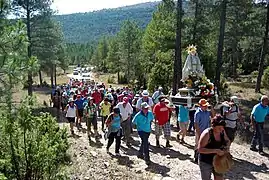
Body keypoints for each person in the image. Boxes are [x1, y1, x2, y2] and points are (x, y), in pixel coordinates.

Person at [198, 115, 231, 180]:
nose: (221, 129)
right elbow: (200, 149)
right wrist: (216, 151)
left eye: (222, 128)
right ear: (213, 126)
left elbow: (227, 140)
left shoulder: (222, 131)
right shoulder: (207, 133)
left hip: (219, 160)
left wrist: (227, 146)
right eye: (219, 128)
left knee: (219, 178)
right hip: (205, 161)